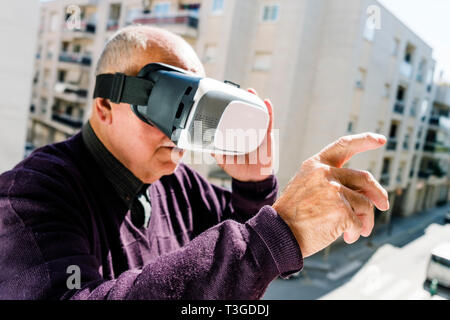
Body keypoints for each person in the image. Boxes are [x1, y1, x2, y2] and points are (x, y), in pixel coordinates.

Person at [0, 26, 389, 300]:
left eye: (196, 109)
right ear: (104, 107)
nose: (181, 134)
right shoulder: (29, 199)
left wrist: (254, 189)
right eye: (170, 106)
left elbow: (244, 261)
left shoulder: (181, 187)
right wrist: (282, 230)